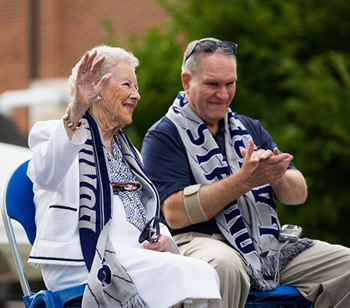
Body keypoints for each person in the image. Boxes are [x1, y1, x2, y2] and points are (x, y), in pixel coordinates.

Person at [141, 38, 350, 308]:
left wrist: (276, 176)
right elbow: (175, 213)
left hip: (266, 245)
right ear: (186, 81)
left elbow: (298, 194)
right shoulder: (164, 135)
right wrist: (245, 180)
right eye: (212, 84)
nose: (224, 94)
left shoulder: (249, 127)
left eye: (231, 83)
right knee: (224, 267)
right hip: (197, 241)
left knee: (346, 265)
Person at [26, 45, 222, 308]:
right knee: (192, 274)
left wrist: (165, 240)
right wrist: (76, 110)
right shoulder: (56, 133)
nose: (136, 95)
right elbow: (45, 176)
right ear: (95, 88)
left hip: (136, 255)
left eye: (136, 87)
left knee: (199, 271)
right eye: (127, 84)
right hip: (81, 259)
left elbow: (147, 216)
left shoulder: (131, 154)